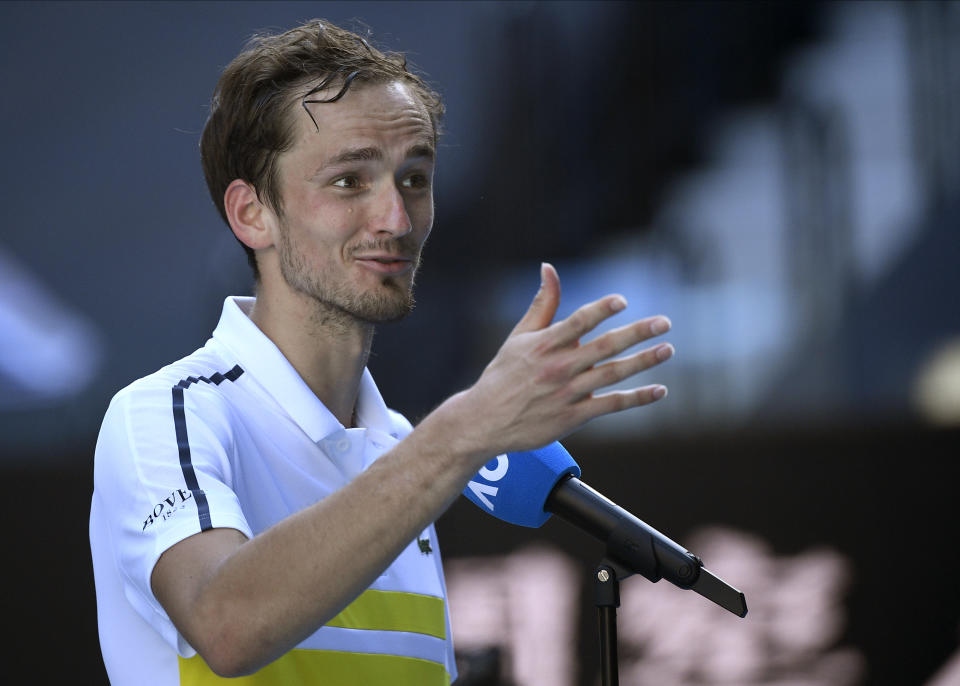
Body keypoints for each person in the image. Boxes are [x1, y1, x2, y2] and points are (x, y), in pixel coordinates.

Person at [89, 18, 675, 686]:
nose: (396, 219)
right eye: (348, 181)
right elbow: (226, 624)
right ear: (252, 214)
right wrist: (464, 430)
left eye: (415, 179)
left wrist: (445, 444)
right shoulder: (165, 414)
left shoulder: (404, 452)